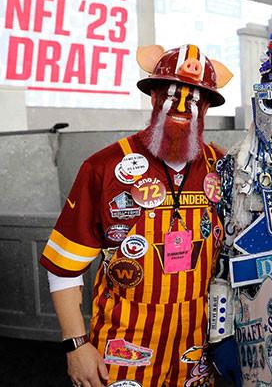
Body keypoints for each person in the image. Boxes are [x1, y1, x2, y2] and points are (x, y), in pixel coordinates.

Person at [41, 44, 232, 387]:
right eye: (172, 94)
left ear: (205, 107)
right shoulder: (104, 166)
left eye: (195, 98)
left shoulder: (222, 166)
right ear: (154, 97)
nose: (183, 106)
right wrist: (76, 345)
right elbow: (64, 268)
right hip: (122, 351)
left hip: (198, 351)